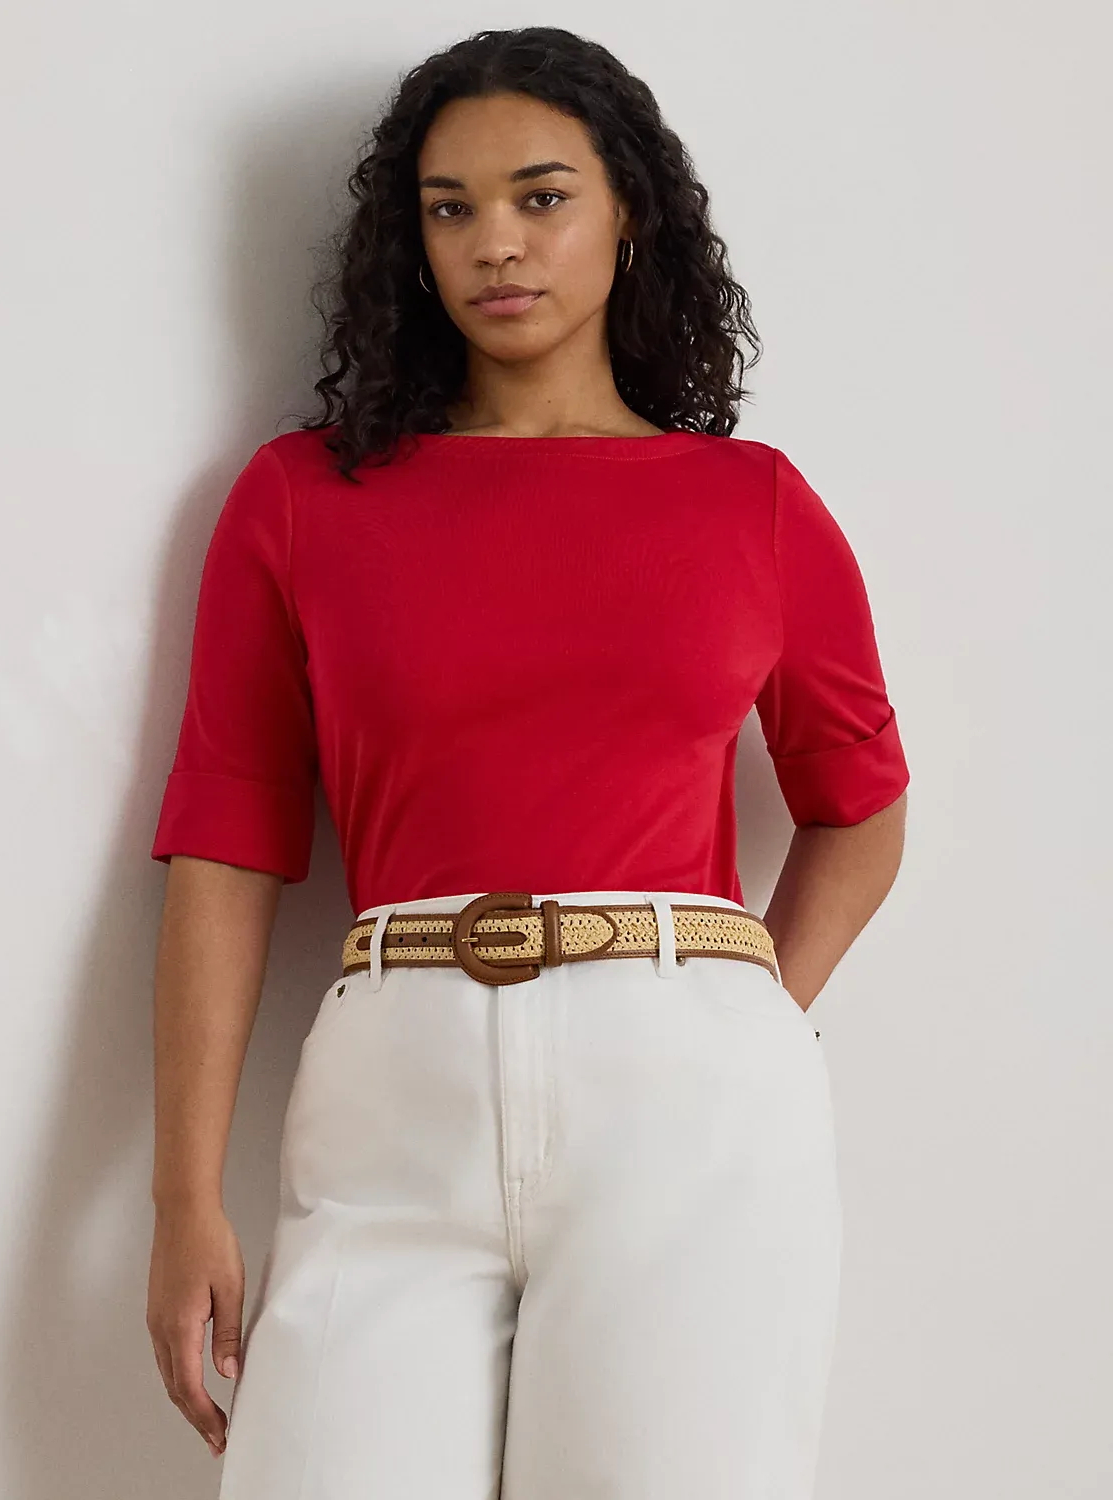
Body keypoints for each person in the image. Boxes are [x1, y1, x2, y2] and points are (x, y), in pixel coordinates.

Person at [146, 25, 909, 1500]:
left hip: (690, 1103)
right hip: (391, 1088)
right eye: (451, 208)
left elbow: (861, 811)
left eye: (541, 197)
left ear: (630, 217)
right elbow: (229, 840)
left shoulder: (750, 505)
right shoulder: (303, 499)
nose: (494, 242)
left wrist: (748, 1022)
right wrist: (184, 1198)